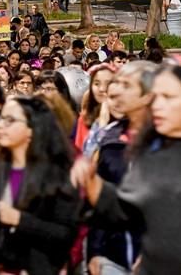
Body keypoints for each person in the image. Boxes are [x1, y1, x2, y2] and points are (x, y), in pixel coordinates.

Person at [71, 64, 181, 275]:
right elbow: (131, 208)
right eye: (156, 97)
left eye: (168, 97)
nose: (156, 105)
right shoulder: (140, 144)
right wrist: (95, 187)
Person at [0, 96, 80, 274]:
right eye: (1, 118)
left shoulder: (57, 174)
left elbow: (65, 234)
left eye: (10, 120)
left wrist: (18, 219)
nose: (0, 125)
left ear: (31, 128)